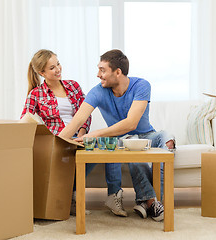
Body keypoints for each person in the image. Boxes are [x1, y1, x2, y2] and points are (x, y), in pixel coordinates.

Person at [59, 49, 175, 221]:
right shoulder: (97, 91)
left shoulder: (141, 85)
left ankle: (151, 201)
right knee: (130, 142)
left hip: (147, 136)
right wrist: (56, 144)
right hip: (123, 141)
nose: (98, 74)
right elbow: (77, 120)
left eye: (102, 70)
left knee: (167, 137)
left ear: (118, 72)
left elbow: (131, 123)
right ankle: (152, 203)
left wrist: (96, 133)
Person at [21, 49, 125, 216]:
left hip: (79, 138)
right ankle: (72, 197)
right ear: (42, 72)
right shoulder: (36, 94)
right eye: (52, 68)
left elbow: (86, 113)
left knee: (108, 146)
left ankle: (113, 195)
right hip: (58, 140)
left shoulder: (73, 86)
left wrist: (83, 134)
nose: (58, 69)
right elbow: (25, 120)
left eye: (58, 64)